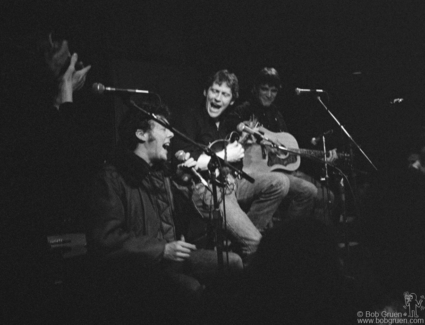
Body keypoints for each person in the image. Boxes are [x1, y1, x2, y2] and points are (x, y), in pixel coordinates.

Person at [86, 103, 242, 323]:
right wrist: (162, 249)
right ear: (140, 134)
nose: (171, 134)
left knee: (232, 263)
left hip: (169, 259)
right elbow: (107, 240)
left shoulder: (161, 174)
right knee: (191, 289)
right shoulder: (111, 178)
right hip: (139, 269)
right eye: (163, 128)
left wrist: (185, 181)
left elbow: (180, 221)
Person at [172, 69, 290, 263]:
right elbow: (185, 161)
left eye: (224, 94)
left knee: (280, 182)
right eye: (214, 91)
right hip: (207, 188)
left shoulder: (227, 123)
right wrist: (225, 156)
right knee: (256, 244)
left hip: (230, 181)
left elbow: (236, 160)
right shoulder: (190, 117)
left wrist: (243, 144)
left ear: (232, 100)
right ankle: (250, 244)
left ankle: (242, 240)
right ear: (205, 92)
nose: (218, 98)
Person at [230, 67, 339, 223]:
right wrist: (261, 137)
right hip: (252, 170)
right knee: (307, 190)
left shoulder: (277, 114)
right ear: (255, 89)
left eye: (273, 91)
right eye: (264, 89)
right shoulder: (245, 108)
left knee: (323, 194)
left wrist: (322, 158)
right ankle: (285, 237)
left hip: (280, 171)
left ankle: (302, 236)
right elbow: (231, 122)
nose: (269, 95)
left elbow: (288, 150)